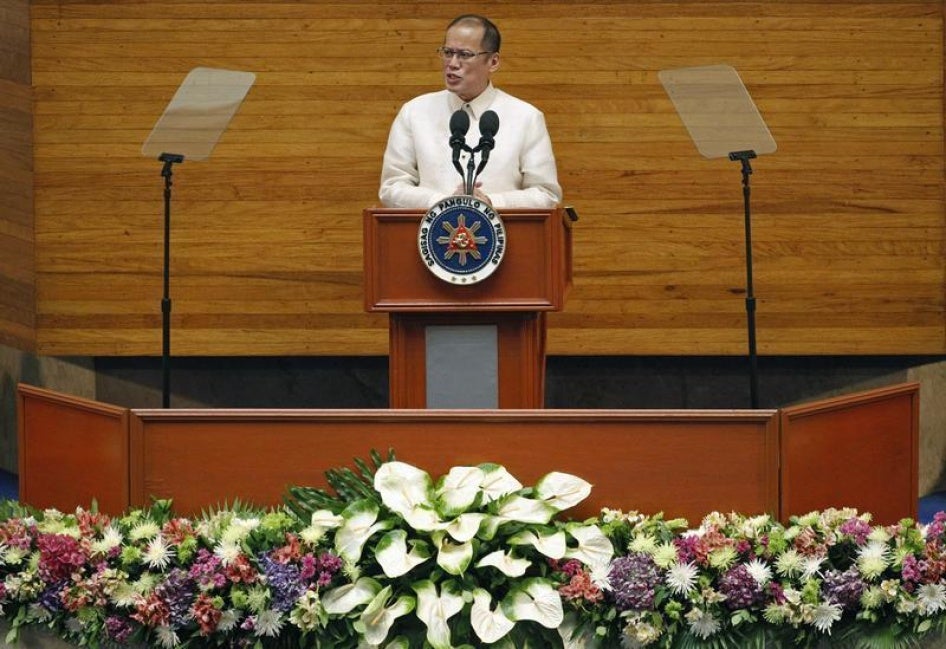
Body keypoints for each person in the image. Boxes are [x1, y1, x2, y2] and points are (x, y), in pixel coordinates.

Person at [379, 14, 562, 209]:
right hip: (430, 235)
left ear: (493, 62)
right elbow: (391, 187)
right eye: (448, 52)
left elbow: (546, 194)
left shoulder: (526, 118)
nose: (453, 63)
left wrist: (490, 203)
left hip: (505, 236)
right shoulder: (414, 112)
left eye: (465, 55)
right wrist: (443, 203)